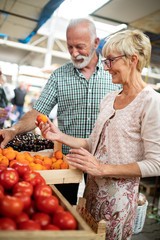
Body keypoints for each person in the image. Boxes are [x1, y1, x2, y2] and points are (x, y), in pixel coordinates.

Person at [39, 29, 160, 239]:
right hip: (91, 193)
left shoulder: (151, 102)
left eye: (111, 61)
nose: (106, 67)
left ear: (133, 59)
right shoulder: (109, 98)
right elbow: (92, 142)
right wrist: (59, 136)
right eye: (105, 61)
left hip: (118, 203)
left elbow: (156, 163)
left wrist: (102, 168)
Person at [0, 18, 121, 204]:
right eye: (70, 47)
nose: (74, 53)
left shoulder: (113, 73)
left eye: (80, 46)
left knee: (98, 213)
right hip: (66, 158)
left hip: (105, 159)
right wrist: (13, 130)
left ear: (96, 42)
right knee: (63, 205)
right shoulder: (59, 76)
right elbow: (37, 112)